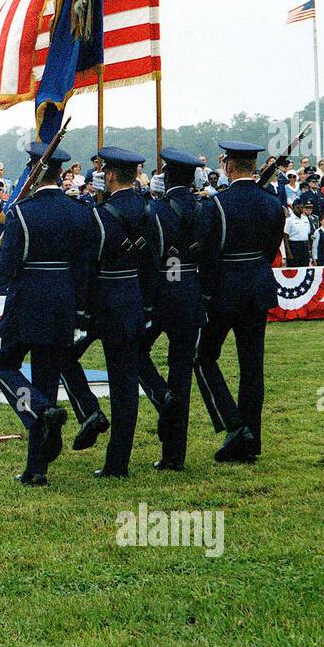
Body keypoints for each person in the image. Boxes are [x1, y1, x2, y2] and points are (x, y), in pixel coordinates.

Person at [0, 142, 95, 485]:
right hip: (63, 302)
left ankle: (39, 411)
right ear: (61, 174)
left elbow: (6, 267)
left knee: (4, 367)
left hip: (27, 303)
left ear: (34, 172)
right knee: (46, 378)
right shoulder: (79, 211)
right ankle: (37, 469)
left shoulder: (22, 212)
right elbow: (84, 267)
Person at [58, 146, 151, 478]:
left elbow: (86, 266)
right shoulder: (149, 210)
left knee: (62, 356)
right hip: (133, 302)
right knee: (125, 384)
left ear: (109, 175)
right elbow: (153, 263)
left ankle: (91, 412)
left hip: (101, 304)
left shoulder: (99, 214)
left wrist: (80, 314)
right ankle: (118, 462)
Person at [194, 140, 284, 463]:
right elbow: (271, 250)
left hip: (225, 291)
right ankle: (250, 441)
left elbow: (206, 251)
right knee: (252, 369)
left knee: (203, 357)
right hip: (258, 287)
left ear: (229, 166)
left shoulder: (217, 204)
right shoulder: (272, 204)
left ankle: (234, 427)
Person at [136, 149, 216, 471]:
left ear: (166, 177)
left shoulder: (157, 210)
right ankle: (174, 456)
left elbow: (150, 257)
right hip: (191, 290)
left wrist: (147, 301)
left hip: (162, 291)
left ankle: (159, 395)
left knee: (135, 353)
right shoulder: (205, 209)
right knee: (181, 374)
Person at [283, 196, 311, 266]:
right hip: (294, 246)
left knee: (305, 267)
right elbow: (285, 236)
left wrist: (308, 250)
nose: (300, 209)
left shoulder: (305, 218)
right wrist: (289, 252)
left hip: (304, 246)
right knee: (294, 268)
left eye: (301, 207)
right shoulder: (289, 219)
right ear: (293, 208)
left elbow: (308, 235)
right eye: (297, 208)